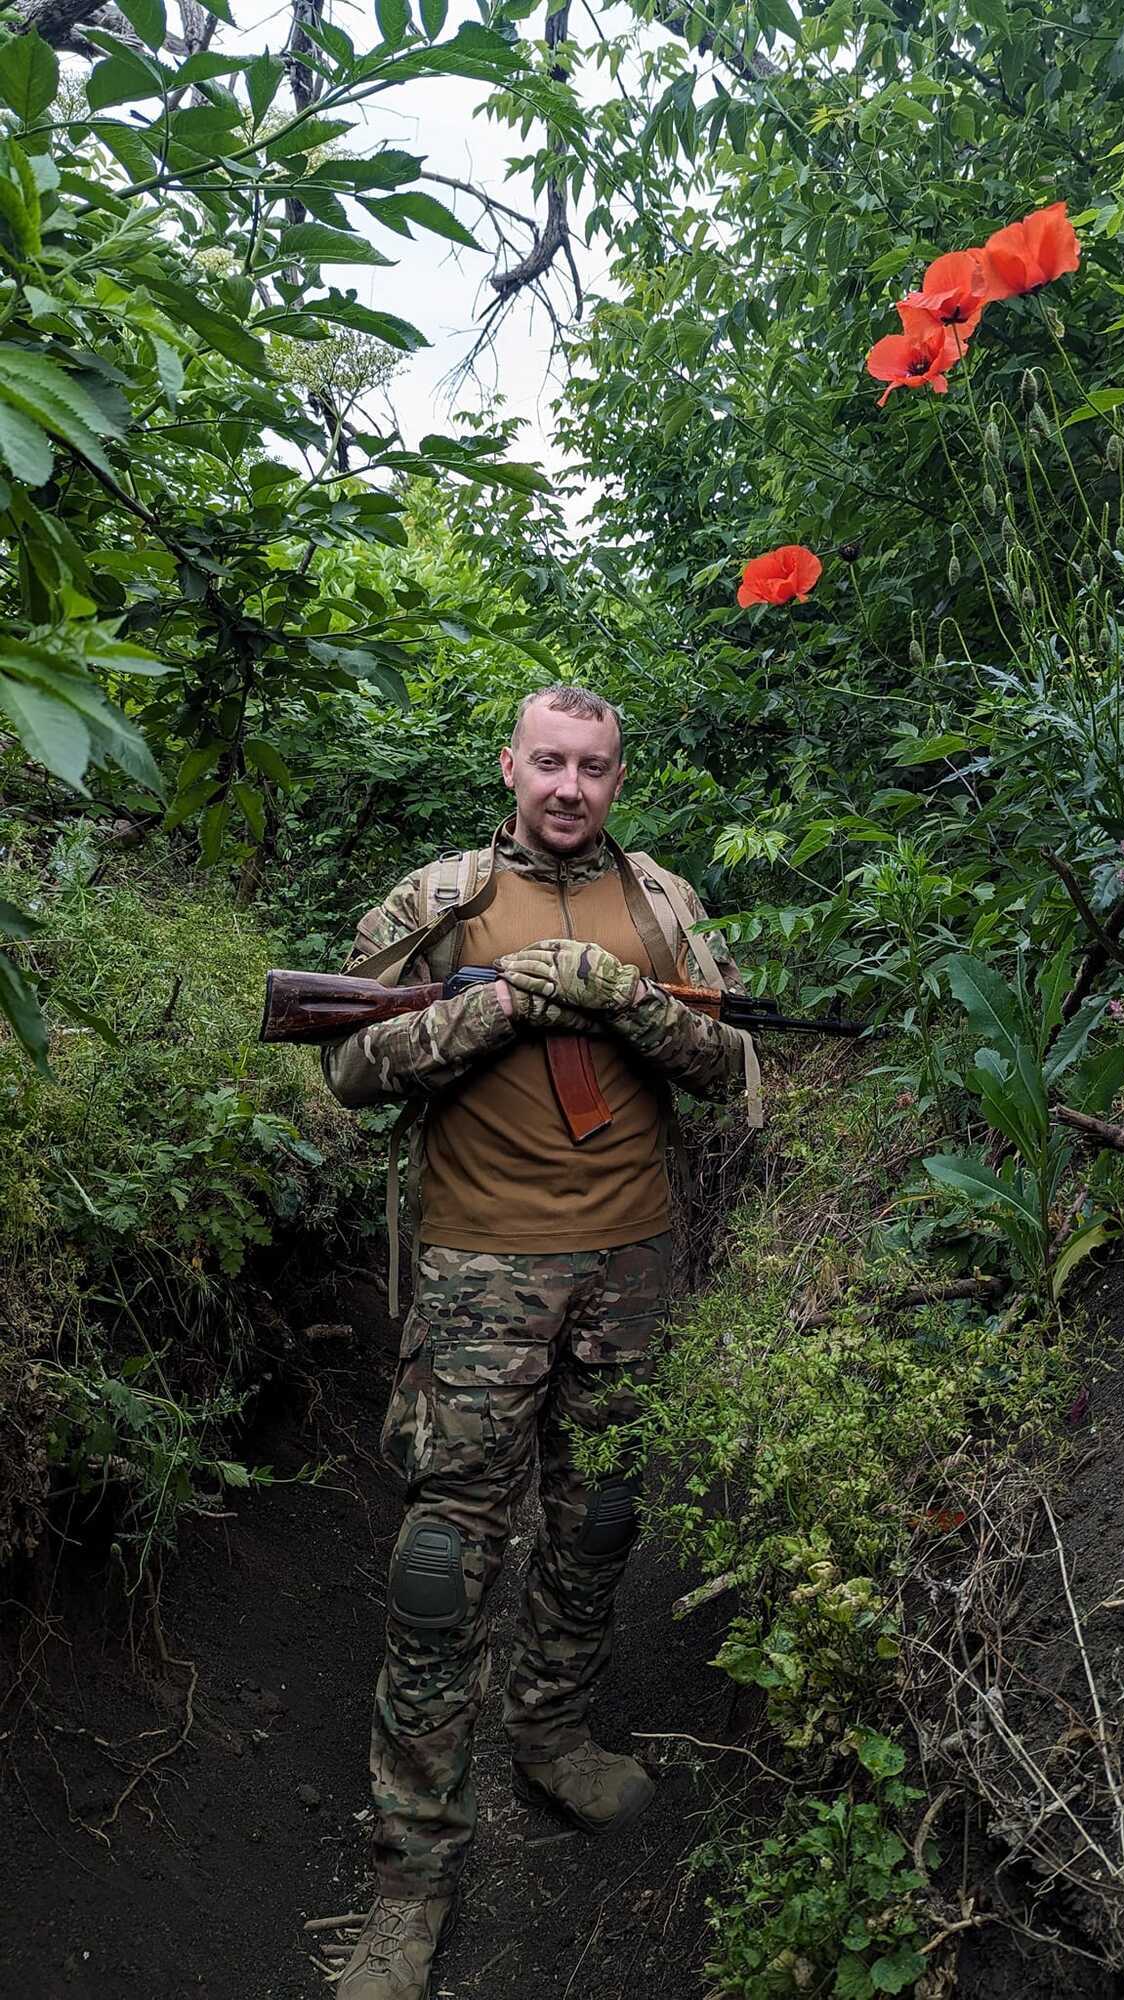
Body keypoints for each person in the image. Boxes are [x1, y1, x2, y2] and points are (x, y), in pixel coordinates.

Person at [318, 684, 755, 2000]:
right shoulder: (438, 904)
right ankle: (410, 1868)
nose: (570, 787)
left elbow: (730, 1068)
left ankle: (551, 1727)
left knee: (604, 1514)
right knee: (447, 1556)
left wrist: (627, 1002)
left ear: (622, 779)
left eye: (595, 768)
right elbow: (347, 1064)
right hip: (477, 1268)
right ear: (510, 764)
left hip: (630, 1261)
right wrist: (494, 1008)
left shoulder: (667, 904)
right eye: (549, 762)